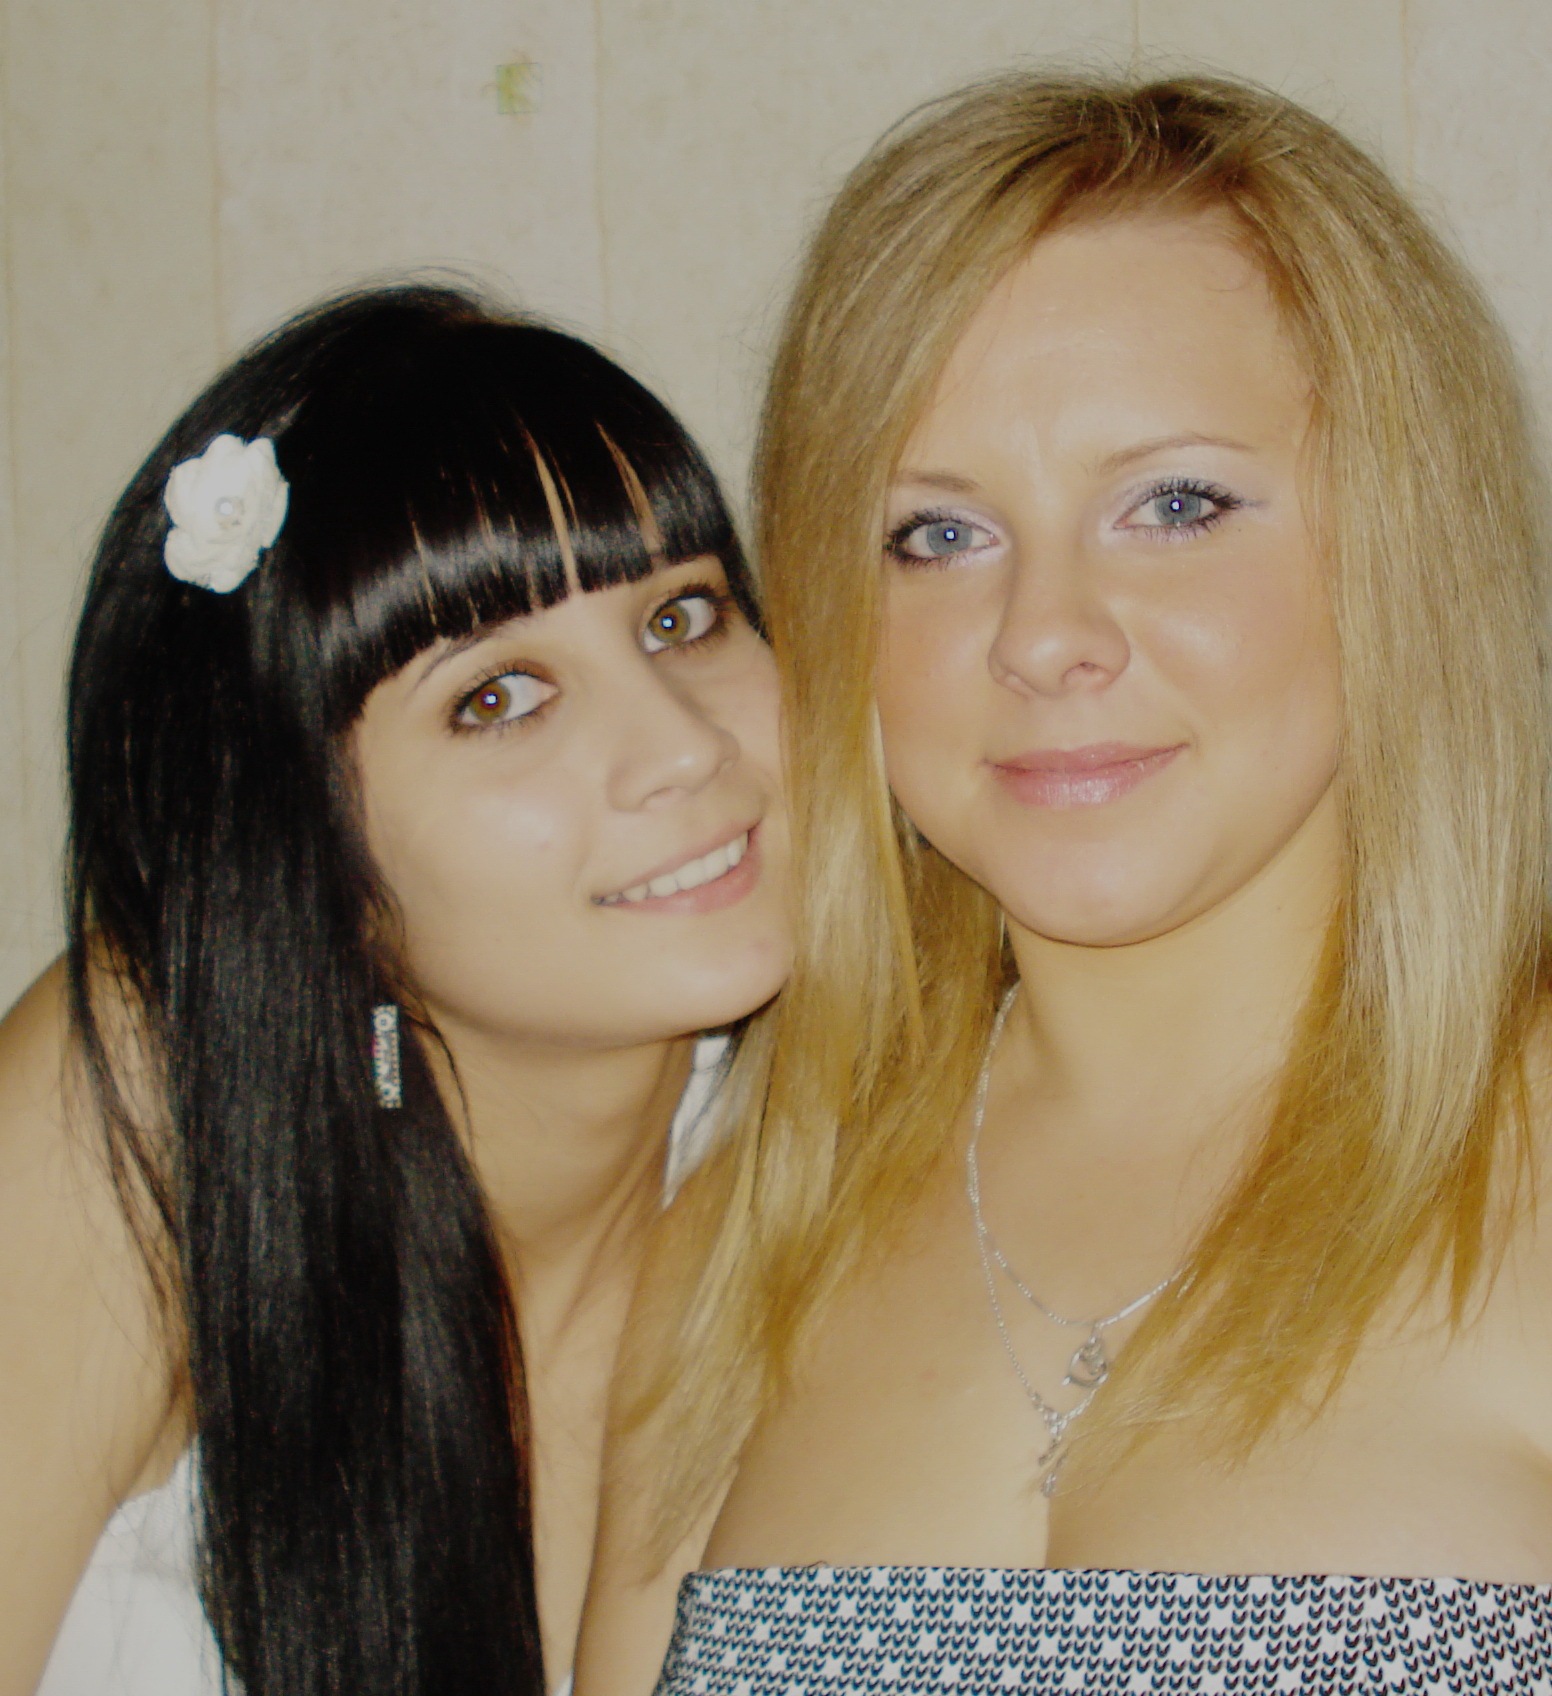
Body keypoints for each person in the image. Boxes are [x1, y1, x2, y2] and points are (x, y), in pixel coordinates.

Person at [576, 73, 1552, 1694]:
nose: (1043, 636)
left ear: (1404, 536)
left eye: (1175, 505)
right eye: (935, 536)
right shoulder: (745, 1234)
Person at [0, 283, 789, 1696]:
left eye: (683, 618)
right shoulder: (141, 1101)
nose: (680, 747)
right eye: (499, 698)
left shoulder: (851, 1154)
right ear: (305, 850)